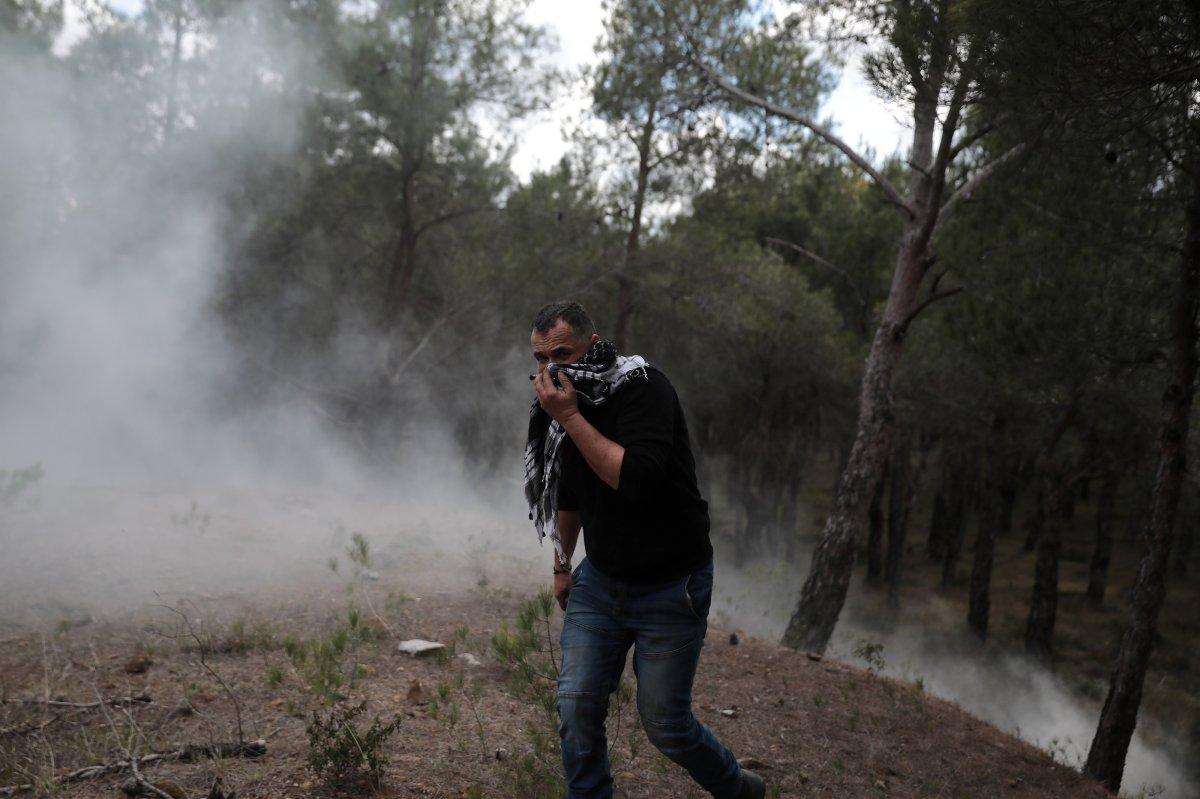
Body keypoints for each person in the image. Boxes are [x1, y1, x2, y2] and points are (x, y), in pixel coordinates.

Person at [523, 301, 765, 799]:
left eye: (562, 354)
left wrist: (568, 417)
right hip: (602, 579)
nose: (551, 370)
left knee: (666, 725)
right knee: (576, 705)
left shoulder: (643, 388)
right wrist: (562, 565)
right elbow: (568, 494)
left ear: (593, 344)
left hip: (671, 586)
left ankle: (738, 789)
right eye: (540, 358)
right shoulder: (561, 407)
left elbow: (632, 478)